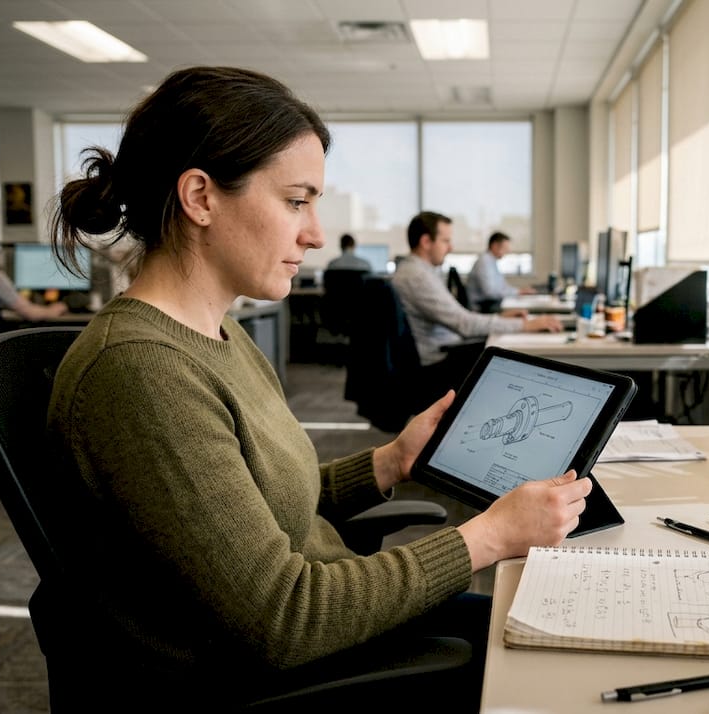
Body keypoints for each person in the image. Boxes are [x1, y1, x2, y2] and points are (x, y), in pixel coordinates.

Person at [45, 66, 591, 710]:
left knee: (564, 642)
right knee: (563, 672)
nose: (316, 233)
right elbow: (282, 619)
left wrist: (391, 461)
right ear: (200, 197)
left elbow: (273, 511)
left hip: (330, 625)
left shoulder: (218, 332)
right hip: (264, 675)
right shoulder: (141, 372)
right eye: (296, 200)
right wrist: (489, 537)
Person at [392, 212, 562, 393]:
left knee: (511, 349)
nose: (451, 247)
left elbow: (461, 320)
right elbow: (465, 325)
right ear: (426, 242)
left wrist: (500, 318)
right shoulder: (417, 276)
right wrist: (525, 325)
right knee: (517, 361)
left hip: (448, 350)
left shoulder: (418, 271)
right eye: (445, 241)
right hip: (439, 363)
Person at [466, 231, 532, 312]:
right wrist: (517, 292)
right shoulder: (484, 262)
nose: (507, 252)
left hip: (489, 303)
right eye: (505, 249)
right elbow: (490, 292)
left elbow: (502, 286)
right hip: (482, 306)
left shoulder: (491, 261)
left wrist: (518, 291)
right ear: (494, 246)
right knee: (519, 311)